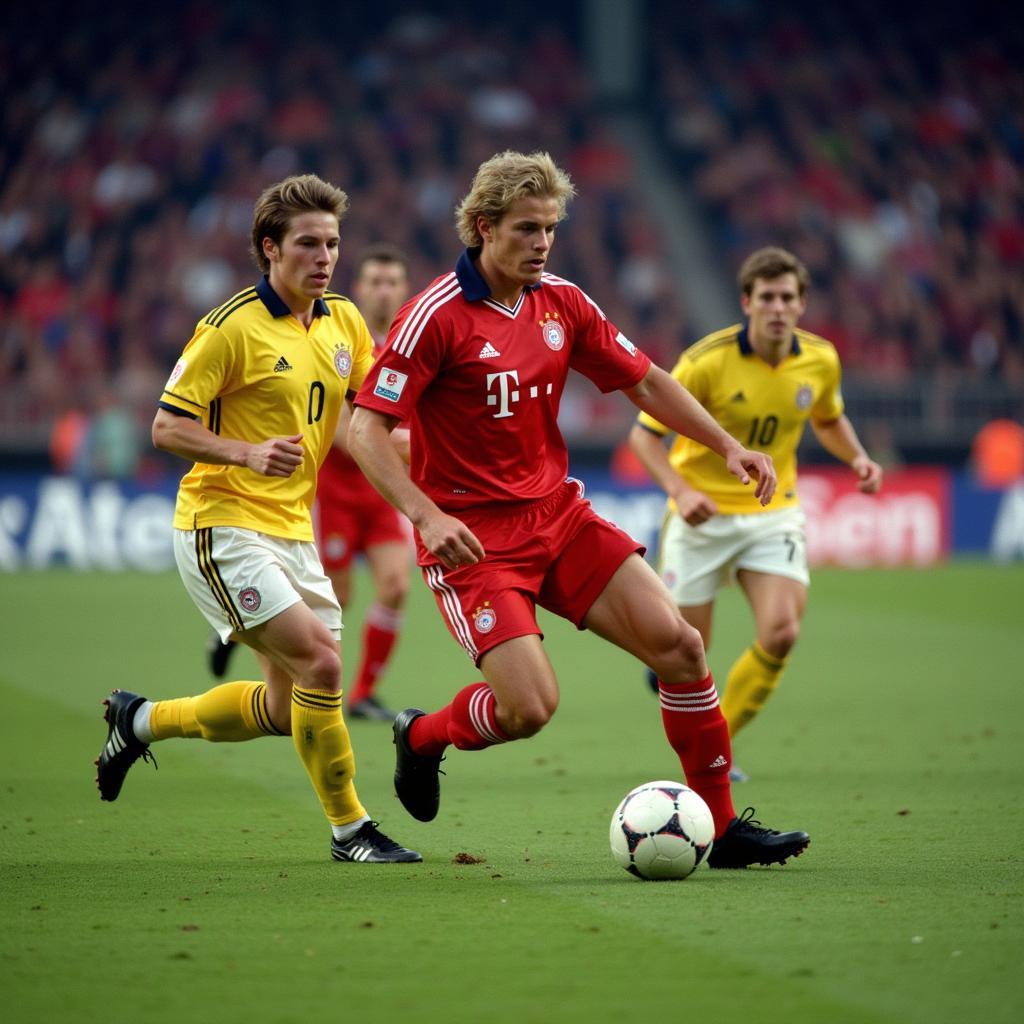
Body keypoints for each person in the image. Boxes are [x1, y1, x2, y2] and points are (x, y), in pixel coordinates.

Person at [348, 150, 809, 869]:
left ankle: (720, 829)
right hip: (476, 541)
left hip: (559, 518)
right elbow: (363, 428)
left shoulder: (563, 301)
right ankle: (422, 737)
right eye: (527, 229)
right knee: (529, 710)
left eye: (550, 230)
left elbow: (647, 383)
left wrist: (726, 445)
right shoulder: (433, 317)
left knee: (682, 649)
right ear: (481, 227)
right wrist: (426, 517)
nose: (541, 244)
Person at [94, 174, 420, 864]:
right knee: (324, 665)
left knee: (282, 709)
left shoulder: (345, 322)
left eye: (332, 242)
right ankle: (351, 830)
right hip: (222, 523)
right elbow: (164, 427)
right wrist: (245, 451)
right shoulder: (228, 328)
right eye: (308, 243)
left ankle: (140, 720)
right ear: (269, 248)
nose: (324, 256)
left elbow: (372, 419)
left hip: (292, 528)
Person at [629, 246, 883, 781]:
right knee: (684, 655)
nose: (777, 307)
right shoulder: (705, 361)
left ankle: (720, 749)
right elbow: (644, 437)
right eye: (766, 297)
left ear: (802, 303)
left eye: (787, 297)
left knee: (782, 631)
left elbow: (828, 418)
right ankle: (673, 684)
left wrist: (857, 456)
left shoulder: (821, 359)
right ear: (746, 301)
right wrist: (680, 491)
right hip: (702, 515)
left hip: (773, 511)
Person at [208, 246, 415, 722]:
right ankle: (238, 631)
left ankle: (362, 692)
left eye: (392, 282)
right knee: (332, 602)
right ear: (359, 289)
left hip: (381, 492)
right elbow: (347, 436)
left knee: (397, 586)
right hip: (334, 494)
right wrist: (433, 447)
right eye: (375, 282)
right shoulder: (339, 337)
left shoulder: (408, 347)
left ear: (405, 290)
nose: (384, 291)